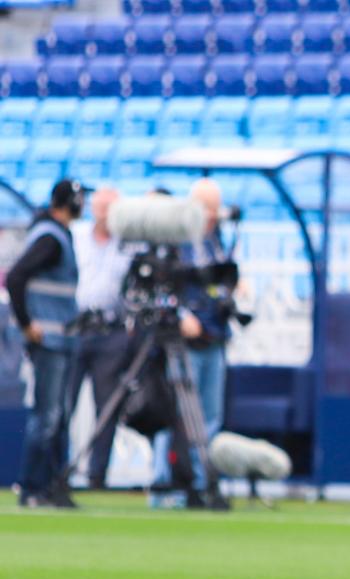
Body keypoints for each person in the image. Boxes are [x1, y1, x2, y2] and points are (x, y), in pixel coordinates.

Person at [149, 179, 232, 509]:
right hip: (184, 343)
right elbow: (161, 287)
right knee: (176, 414)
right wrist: (181, 315)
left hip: (215, 338)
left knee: (210, 417)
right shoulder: (176, 240)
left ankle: (202, 482)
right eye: (206, 208)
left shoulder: (217, 241)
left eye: (215, 209)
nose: (211, 215)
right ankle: (163, 483)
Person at [4, 179, 86, 508]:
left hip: (61, 338)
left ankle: (52, 485)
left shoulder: (56, 234)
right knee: (48, 415)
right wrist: (27, 324)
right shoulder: (50, 238)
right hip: (49, 340)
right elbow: (15, 277)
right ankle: (34, 487)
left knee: (57, 415)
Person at [68, 186, 133, 490]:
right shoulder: (76, 236)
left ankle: (97, 476)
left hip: (111, 332)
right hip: (76, 328)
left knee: (106, 407)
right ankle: (55, 472)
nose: (105, 214)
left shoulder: (129, 244)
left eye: (111, 208)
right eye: (100, 207)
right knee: (63, 403)